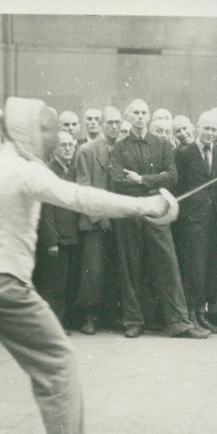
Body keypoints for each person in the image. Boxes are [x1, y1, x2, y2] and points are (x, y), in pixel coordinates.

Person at [0, 96, 179, 434]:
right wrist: (145, 206)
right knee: (57, 357)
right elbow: (81, 198)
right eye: (41, 129)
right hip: (3, 283)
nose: (48, 137)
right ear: (25, 130)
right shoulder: (26, 171)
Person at [108, 99, 208, 339]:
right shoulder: (119, 148)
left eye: (144, 113)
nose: (140, 117)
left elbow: (172, 177)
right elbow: (117, 179)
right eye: (136, 113)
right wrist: (155, 178)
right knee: (131, 266)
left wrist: (141, 180)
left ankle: (179, 321)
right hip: (130, 211)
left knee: (168, 264)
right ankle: (133, 321)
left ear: (149, 116)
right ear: (128, 116)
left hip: (157, 210)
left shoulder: (162, 145)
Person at [173, 111, 217, 334]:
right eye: (206, 128)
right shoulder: (184, 154)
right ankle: (190, 315)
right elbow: (179, 187)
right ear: (198, 128)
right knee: (193, 268)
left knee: (208, 269)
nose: (210, 133)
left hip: (213, 221)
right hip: (191, 222)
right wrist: (185, 217)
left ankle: (202, 314)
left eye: (214, 130)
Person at [74, 106, 123, 335]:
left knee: (115, 268)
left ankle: (110, 314)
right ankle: (89, 316)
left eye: (117, 122)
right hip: (95, 221)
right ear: (102, 124)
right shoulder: (87, 150)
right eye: (110, 122)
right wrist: (100, 217)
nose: (114, 127)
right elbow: (83, 187)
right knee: (92, 270)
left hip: (119, 219)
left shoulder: (122, 149)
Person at [33, 131, 80, 328]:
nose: (68, 148)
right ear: (54, 150)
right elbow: (45, 210)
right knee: (54, 286)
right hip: (57, 238)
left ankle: (62, 323)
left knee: (66, 282)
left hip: (70, 235)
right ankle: (53, 326)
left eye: (70, 145)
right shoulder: (49, 171)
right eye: (63, 145)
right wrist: (51, 241)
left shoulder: (71, 169)